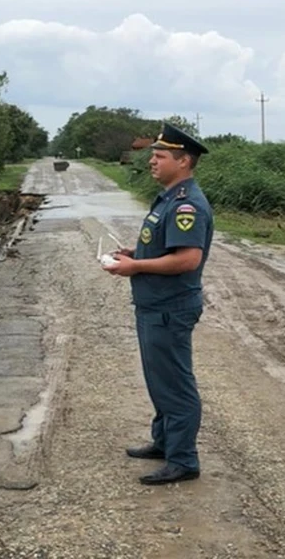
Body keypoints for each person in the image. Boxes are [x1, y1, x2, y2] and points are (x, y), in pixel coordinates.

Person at [103, 121, 213, 485]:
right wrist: (138, 253)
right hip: (155, 306)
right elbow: (166, 247)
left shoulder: (187, 205)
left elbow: (187, 259)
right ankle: (165, 442)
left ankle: (183, 460)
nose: (152, 161)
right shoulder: (168, 198)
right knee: (159, 380)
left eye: (160, 155)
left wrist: (135, 266)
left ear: (183, 162)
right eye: (152, 155)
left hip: (170, 307)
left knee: (175, 384)